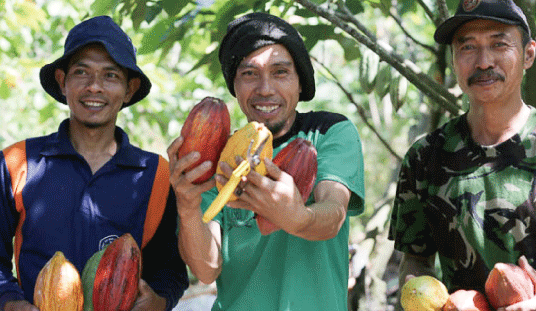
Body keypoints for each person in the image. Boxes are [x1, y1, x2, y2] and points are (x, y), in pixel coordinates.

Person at [167, 12, 365, 311]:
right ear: (234, 85)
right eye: (249, 74)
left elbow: (332, 214)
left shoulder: (329, 132)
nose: (265, 89)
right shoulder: (222, 155)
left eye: (280, 72)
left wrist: (298, 217)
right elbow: (207, 268)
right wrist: (187, 205)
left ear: (300, 82)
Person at [0, 16, 188, 311]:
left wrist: (159, 301)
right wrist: (9, 302)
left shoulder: (157, 176)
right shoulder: (18, 162)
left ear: (129, 89)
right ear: (63, 82)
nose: (94, 87)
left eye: (110, 75)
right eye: (81, 72)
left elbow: (169, 268)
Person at [388, 0, 536, 309]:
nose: (483, 62)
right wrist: (423, 297)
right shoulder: (425, 157)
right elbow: (415, 260)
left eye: (499, 44)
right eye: (467, 47)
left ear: (529, 55)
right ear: (454, 61)